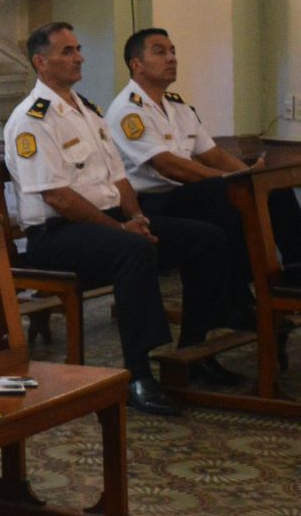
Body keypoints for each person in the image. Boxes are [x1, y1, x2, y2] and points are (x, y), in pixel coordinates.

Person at [4, 23, 234, 414]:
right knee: (133, 251)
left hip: (106, 222)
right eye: (67, 51)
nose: (79, 57)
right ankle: (139, 374)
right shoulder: (32, 119)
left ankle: (194, 350)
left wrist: (138, 217)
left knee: (205, 237)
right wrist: (122, 229)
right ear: (41, 63)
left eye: (78, 49)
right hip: (56, 237)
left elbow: (119, 178)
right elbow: (58, 197)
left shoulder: (88, 112)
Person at [106, 28, 301, 323]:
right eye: (160, 52)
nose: (171, 58)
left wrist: (250, 176)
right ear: (137, 64)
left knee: (271, 188)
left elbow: (214, 155)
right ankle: (235, 296)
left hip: (189, 193)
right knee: (224, 196)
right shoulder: (127, 111)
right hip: (151, 202)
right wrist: (227, 182)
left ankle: (294, 273)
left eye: (173, 51)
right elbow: (167, 165)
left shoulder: (177, 106)